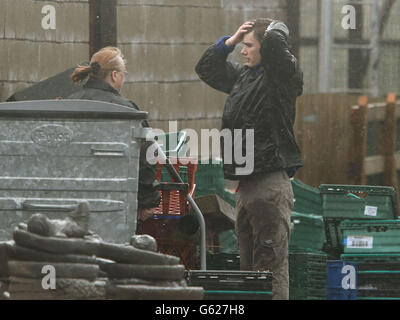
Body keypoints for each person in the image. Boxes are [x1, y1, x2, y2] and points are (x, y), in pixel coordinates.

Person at [195, 19, 303, 300]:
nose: (243, 52)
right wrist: (230, 41)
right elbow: (206, 68)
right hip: (246, 185)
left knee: (269, 264)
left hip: (268, 182)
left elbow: (279, 50)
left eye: (249, 46)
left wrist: (276, 28)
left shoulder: (279, 77)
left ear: (266, 49)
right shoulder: (245, 77)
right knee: (249, 268)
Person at [67, 46, 160, 223]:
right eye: (124, 73)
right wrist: (148, 201)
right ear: (115, 75)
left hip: (72, 200)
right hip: (115, 201)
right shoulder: (126, 110)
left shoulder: (68, 103)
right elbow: (146, 158)